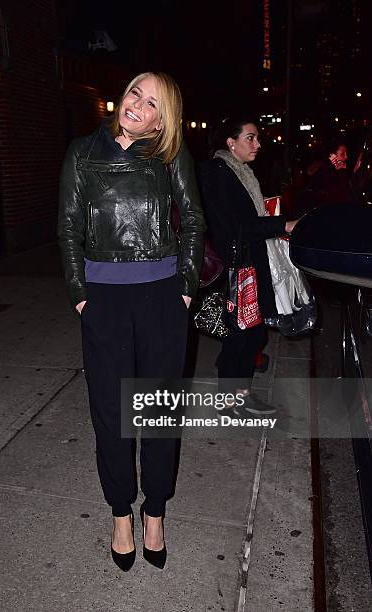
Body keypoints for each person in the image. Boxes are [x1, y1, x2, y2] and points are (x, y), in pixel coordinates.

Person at [58, 72, 205, 571]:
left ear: (165, 118)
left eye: (152, 103)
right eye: (134, 94)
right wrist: (81, 297)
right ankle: (121, 513)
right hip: (104, 300)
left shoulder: (170, 157)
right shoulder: (83, 152)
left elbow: (193, 220)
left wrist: (185, 290)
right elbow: (69, 226)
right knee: (112, 415)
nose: (137, 106)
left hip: (162, 299)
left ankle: (156, 512)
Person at [199, 117, 298, 415]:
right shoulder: (218, 172)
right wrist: (283, 223)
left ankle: (241, 394)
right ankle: (229, 401)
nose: (258, 144)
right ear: (231, 142)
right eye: (251, 138)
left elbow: (246, 216)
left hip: (253, 260)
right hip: (238, 265)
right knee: (242, 333)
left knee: (252, 332)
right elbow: (234, 226)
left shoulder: (241, 171)